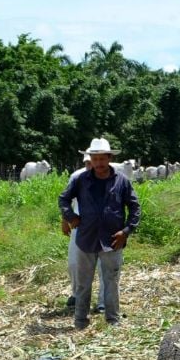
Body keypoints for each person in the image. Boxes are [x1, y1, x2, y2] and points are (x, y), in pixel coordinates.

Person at [59, 138, 140, 329]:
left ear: (109, 158)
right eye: (95, 159)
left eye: (102, 159)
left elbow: (135, 207)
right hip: (86, 238)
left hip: (113, 240)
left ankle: (113, 320)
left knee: (111, 281)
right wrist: (71, 216)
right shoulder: (80, 180)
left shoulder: (122, 181)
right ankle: (80, 320)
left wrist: (126, 231)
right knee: (83, 282)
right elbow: (64, 199)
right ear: (90, 159)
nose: (98, 163)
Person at [62, 154, 106, 313]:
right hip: (79, 227)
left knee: (104, 265)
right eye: (88, 163)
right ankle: (77, 295)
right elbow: (68, 200)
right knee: (75, 263)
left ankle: (103, 302)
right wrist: (65, 220)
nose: (91, 166)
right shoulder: (76, 177)